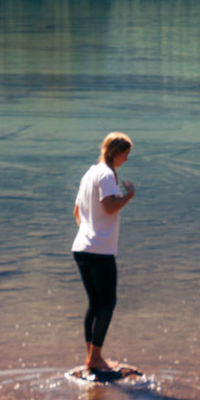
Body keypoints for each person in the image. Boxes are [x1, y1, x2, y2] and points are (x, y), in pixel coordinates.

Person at [72, 131, 136, 378]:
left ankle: (92, 357)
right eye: (126, 155)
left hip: (82, 247)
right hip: (99, 250)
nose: (126, 160)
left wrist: (89, 231)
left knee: (95, 303)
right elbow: (109, 208)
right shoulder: (107, 174)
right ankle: (95, 360)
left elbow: (76, 212)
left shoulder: (89, 173)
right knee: (107, 303)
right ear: (115, 153)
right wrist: (128, 196)